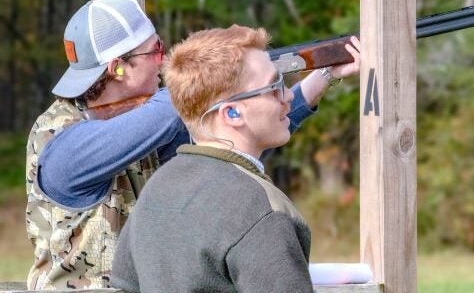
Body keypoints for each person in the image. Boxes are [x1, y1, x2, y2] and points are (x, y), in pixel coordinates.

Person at [25, 0, 360, 290]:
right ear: (118, 68)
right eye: (155, 51)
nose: (164, 58)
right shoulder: (61, 145)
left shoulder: (146, 123)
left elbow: (230, 137)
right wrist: (221, 75)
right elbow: (198, 107)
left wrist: (322, 75)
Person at [111, 24, 334, 292]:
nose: (287, 96)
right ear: (231, 114)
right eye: (274, 86)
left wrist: (327, 72)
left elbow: (123, 284)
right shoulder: (258, 209)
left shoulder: (156, 189)